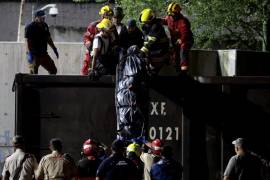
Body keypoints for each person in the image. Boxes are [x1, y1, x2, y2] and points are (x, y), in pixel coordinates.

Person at [81, 5, 114, 75]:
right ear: (102, 16)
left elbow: (115, 40)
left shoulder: (112, 26)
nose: (107, 18)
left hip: (105, 54)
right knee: (86, 67)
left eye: (109, 16)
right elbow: (86, 37)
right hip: (93, 51)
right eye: (105, 16)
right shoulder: (93, 25)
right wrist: (89, 43)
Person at [162, 2, 194, 73]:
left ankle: (184, 73)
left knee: (183, 52)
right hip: (176, 41)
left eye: (172, 13)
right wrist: (155, 20)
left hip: (186, 40)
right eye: (170, 14)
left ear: (177, 13)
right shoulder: (169, 18)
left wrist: (181, 40)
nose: (171, 15)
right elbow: (164, 21)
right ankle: (178, 71)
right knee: (175, 55)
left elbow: (185, 33)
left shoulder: (182, 21)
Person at [25, 10, 59, 74]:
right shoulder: (30, 27)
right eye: (41, 17)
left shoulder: (45, 26)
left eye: (44, 17)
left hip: (44, 54)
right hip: (34, 55)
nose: (43, 18)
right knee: (33, 74)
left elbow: (48, 39)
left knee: (53, 70)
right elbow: (28, 42)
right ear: (36, 17)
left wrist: (54, 48)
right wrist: (29, 54)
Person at [139, 8, 170, 75]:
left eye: (146, 22)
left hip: (160, 52)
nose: (145, 24)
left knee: (152, 72)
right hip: (154, 51)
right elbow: (145, 40)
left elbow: (151, 41)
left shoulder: (156, 27)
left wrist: (142, 51)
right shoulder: (147, 27)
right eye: (144, 22)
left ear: (151, 20)